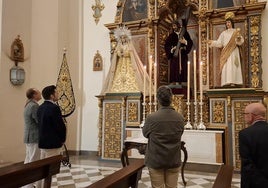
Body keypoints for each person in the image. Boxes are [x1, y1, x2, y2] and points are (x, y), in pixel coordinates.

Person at [142, 86, 185, 188]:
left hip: (156, 160)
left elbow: (145, 134)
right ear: (171, 98)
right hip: (173, 159)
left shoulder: (152, 118)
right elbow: (180, 133)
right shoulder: (179, 117)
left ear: (158, 100)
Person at [101, 25, 151, 94]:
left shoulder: (128, 45)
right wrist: (120, 53)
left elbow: (130, 52)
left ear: (126, 38)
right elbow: (117, 52)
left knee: (131, 75)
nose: (123, 39)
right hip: (120, 63)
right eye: (121, 38)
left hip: (128, 62)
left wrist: (125, 53)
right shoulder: (119, 45)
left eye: (124, 38)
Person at [207, 12, 244, 87]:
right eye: (226, 22)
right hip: (225, 53)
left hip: (233, 51)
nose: (228, 24)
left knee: (233, 66)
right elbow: (219, 43)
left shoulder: (235, 31)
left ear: (232, 23)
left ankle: (234, 82)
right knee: (226, 66)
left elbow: (240, 42)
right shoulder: (224, 33)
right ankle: (226, 82)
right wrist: (212, 42)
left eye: (229, 22)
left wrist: (238, 39)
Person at [239, 102, 268, 187]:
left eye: (245, 114)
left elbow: (247, 164)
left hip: (256, 183)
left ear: (251, 116)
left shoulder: (245, 133)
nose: (244, 116)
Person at [37, 85, 66, 159]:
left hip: (43, 141)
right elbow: (59, 125)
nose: (58, 94)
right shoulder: (54, 108)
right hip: (53, 142)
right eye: (56, 93)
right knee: (52, 167)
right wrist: (62, 139)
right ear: (51, 96)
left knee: (43, 165)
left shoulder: (40, 107)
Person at [23, 88, 42, 188]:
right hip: (34, 136)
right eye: (38, 92)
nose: (40, 94)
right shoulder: (34, 106)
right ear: (34, 95)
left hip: (29, 136)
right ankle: (28, 186)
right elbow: (39, 121)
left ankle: (26, 184)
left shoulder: (28, 104)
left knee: (28, 160)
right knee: (33, 161)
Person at [164, 20, 193, 86]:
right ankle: (175, 84)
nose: (173, 27)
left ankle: (184, 84)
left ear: (178, 25)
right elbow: (166, 45)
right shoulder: (171, 36)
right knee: (174, 69)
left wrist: (185, 42)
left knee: (184, 68)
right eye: (172, 26)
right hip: (175, 56)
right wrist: (172, 49)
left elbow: (190, 42)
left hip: (183, 55)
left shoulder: (184, 33)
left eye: (174, 26)